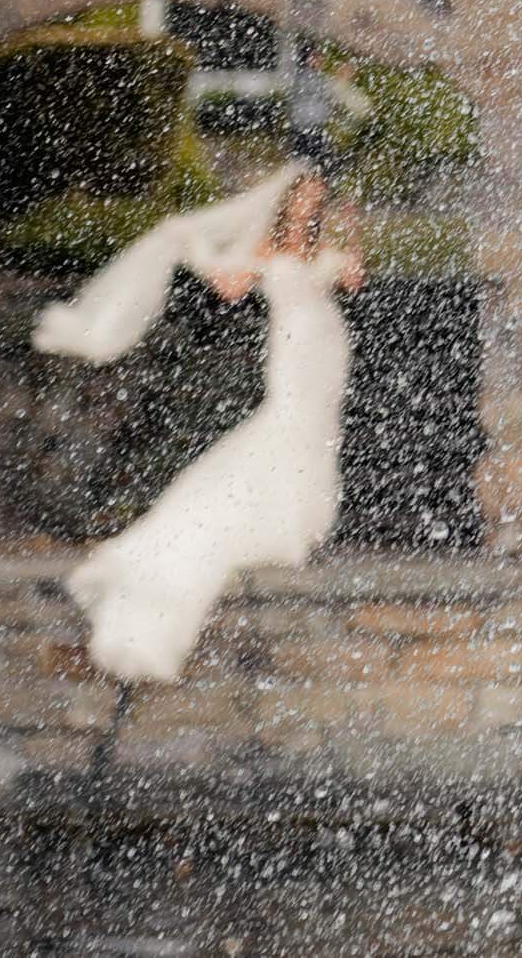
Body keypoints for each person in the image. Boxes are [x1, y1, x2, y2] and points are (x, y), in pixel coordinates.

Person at [53, 168, 366, 682]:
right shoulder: (268, 242)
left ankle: (304, 516)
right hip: (292, 344)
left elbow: (353, 279)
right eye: (305, 197)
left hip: (327, 341)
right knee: (285, 419)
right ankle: (275, 517)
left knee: (319, 427)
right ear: (288, 200)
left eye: (318, 197)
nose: (311, 204)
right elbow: (230, 286)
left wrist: (351, 234)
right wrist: (190, 247)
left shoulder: (319, 242)